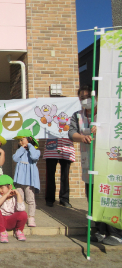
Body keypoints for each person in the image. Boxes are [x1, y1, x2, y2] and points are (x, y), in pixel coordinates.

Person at [69, 85, 122, 246]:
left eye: (88, 97)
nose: (85, 100)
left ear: (96, 98)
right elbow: (71, 133)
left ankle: (115, 231)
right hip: (89, 163)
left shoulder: (108, 115)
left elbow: (116, 132)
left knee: (108, 196)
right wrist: (82, 137)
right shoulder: (77, 116)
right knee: (92, 198)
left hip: (107, 162)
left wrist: (102, 129)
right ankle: (99, 230)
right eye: (82, 98)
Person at [12, 129, 40, 227]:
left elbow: (35, 157)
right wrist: (22, 148)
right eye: (19, 141)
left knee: (30, 200)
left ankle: (31, 218)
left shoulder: (35, 151)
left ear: (29, 139)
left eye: (22, 140)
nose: (20, 142)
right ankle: (21, 217)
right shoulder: (20, 151)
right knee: (20, 199)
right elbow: (15, 158)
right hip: (19, 180)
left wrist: (30, 146)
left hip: (29, 181)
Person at [0, 175, 28, 243]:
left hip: (11, 221)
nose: (0, 190)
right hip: (0, 221)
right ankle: (3, 232)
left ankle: (19, 231)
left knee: (23, 214)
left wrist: (18, 194)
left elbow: (21, 209)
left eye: (2, 187)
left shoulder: (15, 197)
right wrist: (6, 195)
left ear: (10, 187)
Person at [44, 138, 75, 208]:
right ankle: (49, 199)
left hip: (66, 146)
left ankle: (64, 199)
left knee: (65, 176)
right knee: (50, 175)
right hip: (51, 145)